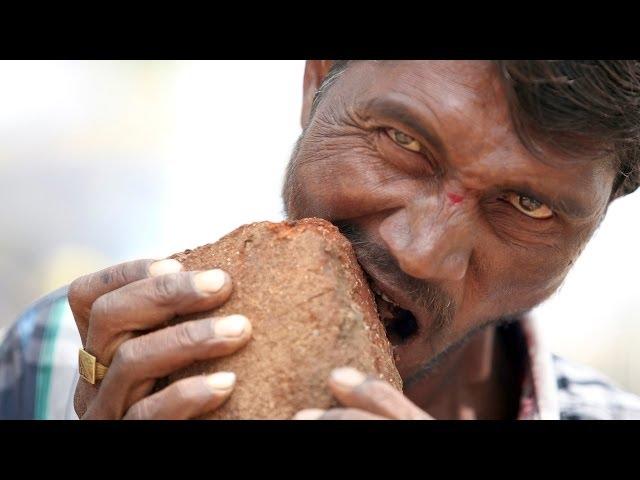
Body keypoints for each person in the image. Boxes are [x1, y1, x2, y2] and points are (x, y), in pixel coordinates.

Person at [2, 60, 640, 420]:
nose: (419, 250)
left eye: (528, 205)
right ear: (317, 82)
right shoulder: (61, 353)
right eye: (403, 140)